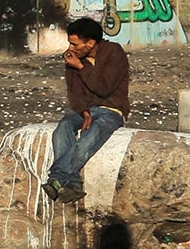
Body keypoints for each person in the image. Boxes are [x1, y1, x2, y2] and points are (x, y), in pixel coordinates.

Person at [42, 16, 130, 204]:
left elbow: (104, 88)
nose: (71, 49)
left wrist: (81, 67)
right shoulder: (74, 59)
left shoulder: (113, 53)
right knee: (63, 128)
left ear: (90, 43)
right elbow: (74, 91)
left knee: (89, 138)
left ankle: (56, 179)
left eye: (75, 44)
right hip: (87, 109)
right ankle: (73, 186)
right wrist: (83, 111)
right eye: (70, 44)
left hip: (111, 110)